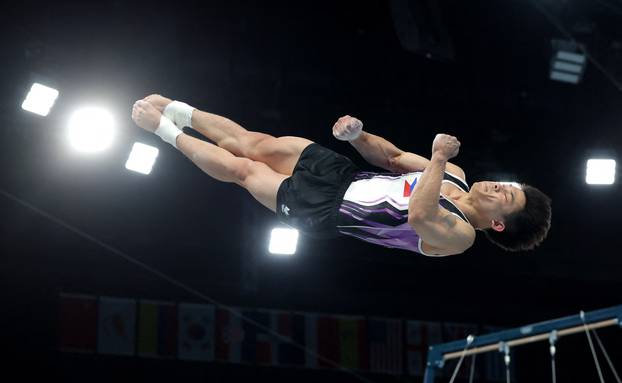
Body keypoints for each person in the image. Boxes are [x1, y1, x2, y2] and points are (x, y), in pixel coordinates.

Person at [131, 95, 551, 256]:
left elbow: (419, 216)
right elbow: (393, 158)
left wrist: (439, 157)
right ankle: (177, 108)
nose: (499, 186)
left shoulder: (460, 236)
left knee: (245, 171)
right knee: (251, 143)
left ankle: (164, 132)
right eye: (509, 185)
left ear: (499, 223)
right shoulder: (456, 175)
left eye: (506, 196)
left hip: (328, 211)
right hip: (344, 174)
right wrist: (358, 136)